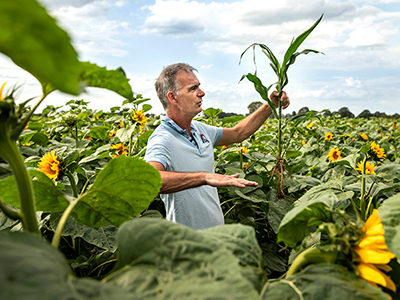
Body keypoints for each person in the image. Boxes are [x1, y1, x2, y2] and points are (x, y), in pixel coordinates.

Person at [144, 63, 290, 230]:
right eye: (193, 89)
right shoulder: (163, 138)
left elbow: (238, 133)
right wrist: (204, 177)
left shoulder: (200, 129)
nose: (202, 93)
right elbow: (151, 179)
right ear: (173, 97)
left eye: (199, 87)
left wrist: (270, 104)